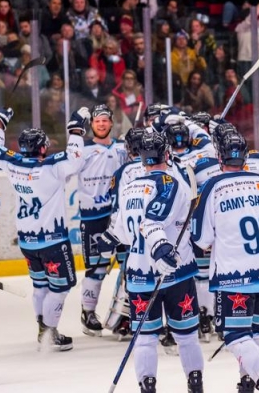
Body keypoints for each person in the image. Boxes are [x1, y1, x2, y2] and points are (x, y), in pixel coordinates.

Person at [99, 132, 204, 393]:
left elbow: (122, 231)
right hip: (174, 271)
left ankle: (147, 387)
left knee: (145, 340)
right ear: (167, 154)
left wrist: (108, 239)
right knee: (186, 336)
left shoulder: (130, 186)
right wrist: (159, 247)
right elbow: (151, 222)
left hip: (137, 275)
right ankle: (195, 385)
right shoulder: (171, 182)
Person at [192, 130, 259, 393]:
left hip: (232, 278)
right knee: (255, 332)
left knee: (235, 336)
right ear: (245, 156)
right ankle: (247, 382)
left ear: (219, 156)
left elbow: (201, 240)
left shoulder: (213, 186)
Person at [0, 106, 89, 350]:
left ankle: (43, 328)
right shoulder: (52, 166)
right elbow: (75, 158)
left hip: (27, 241)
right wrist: (75, 128)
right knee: (61, 286)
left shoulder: (14, 164)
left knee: (41, 284)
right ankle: (49, 331)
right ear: (42, 148)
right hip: (52, 241)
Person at [76, 105, 128, 336]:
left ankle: (123, 315)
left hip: (119, 216)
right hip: (93, 216)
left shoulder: (122, 148)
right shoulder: (82, 149)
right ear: (92, 124)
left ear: (111, 123)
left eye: (105, 120)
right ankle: (88, 313)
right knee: (96, 268)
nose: (101, 124)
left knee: (129, 265)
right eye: (97, 121)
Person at [100, 127, 148, 339]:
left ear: (129, 148)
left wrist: (112, 235)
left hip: (130, 234)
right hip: (158, 234)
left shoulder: (122, 172)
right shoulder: (162, 165)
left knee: (130, 276)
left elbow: (117, 207)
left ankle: (125, 320)